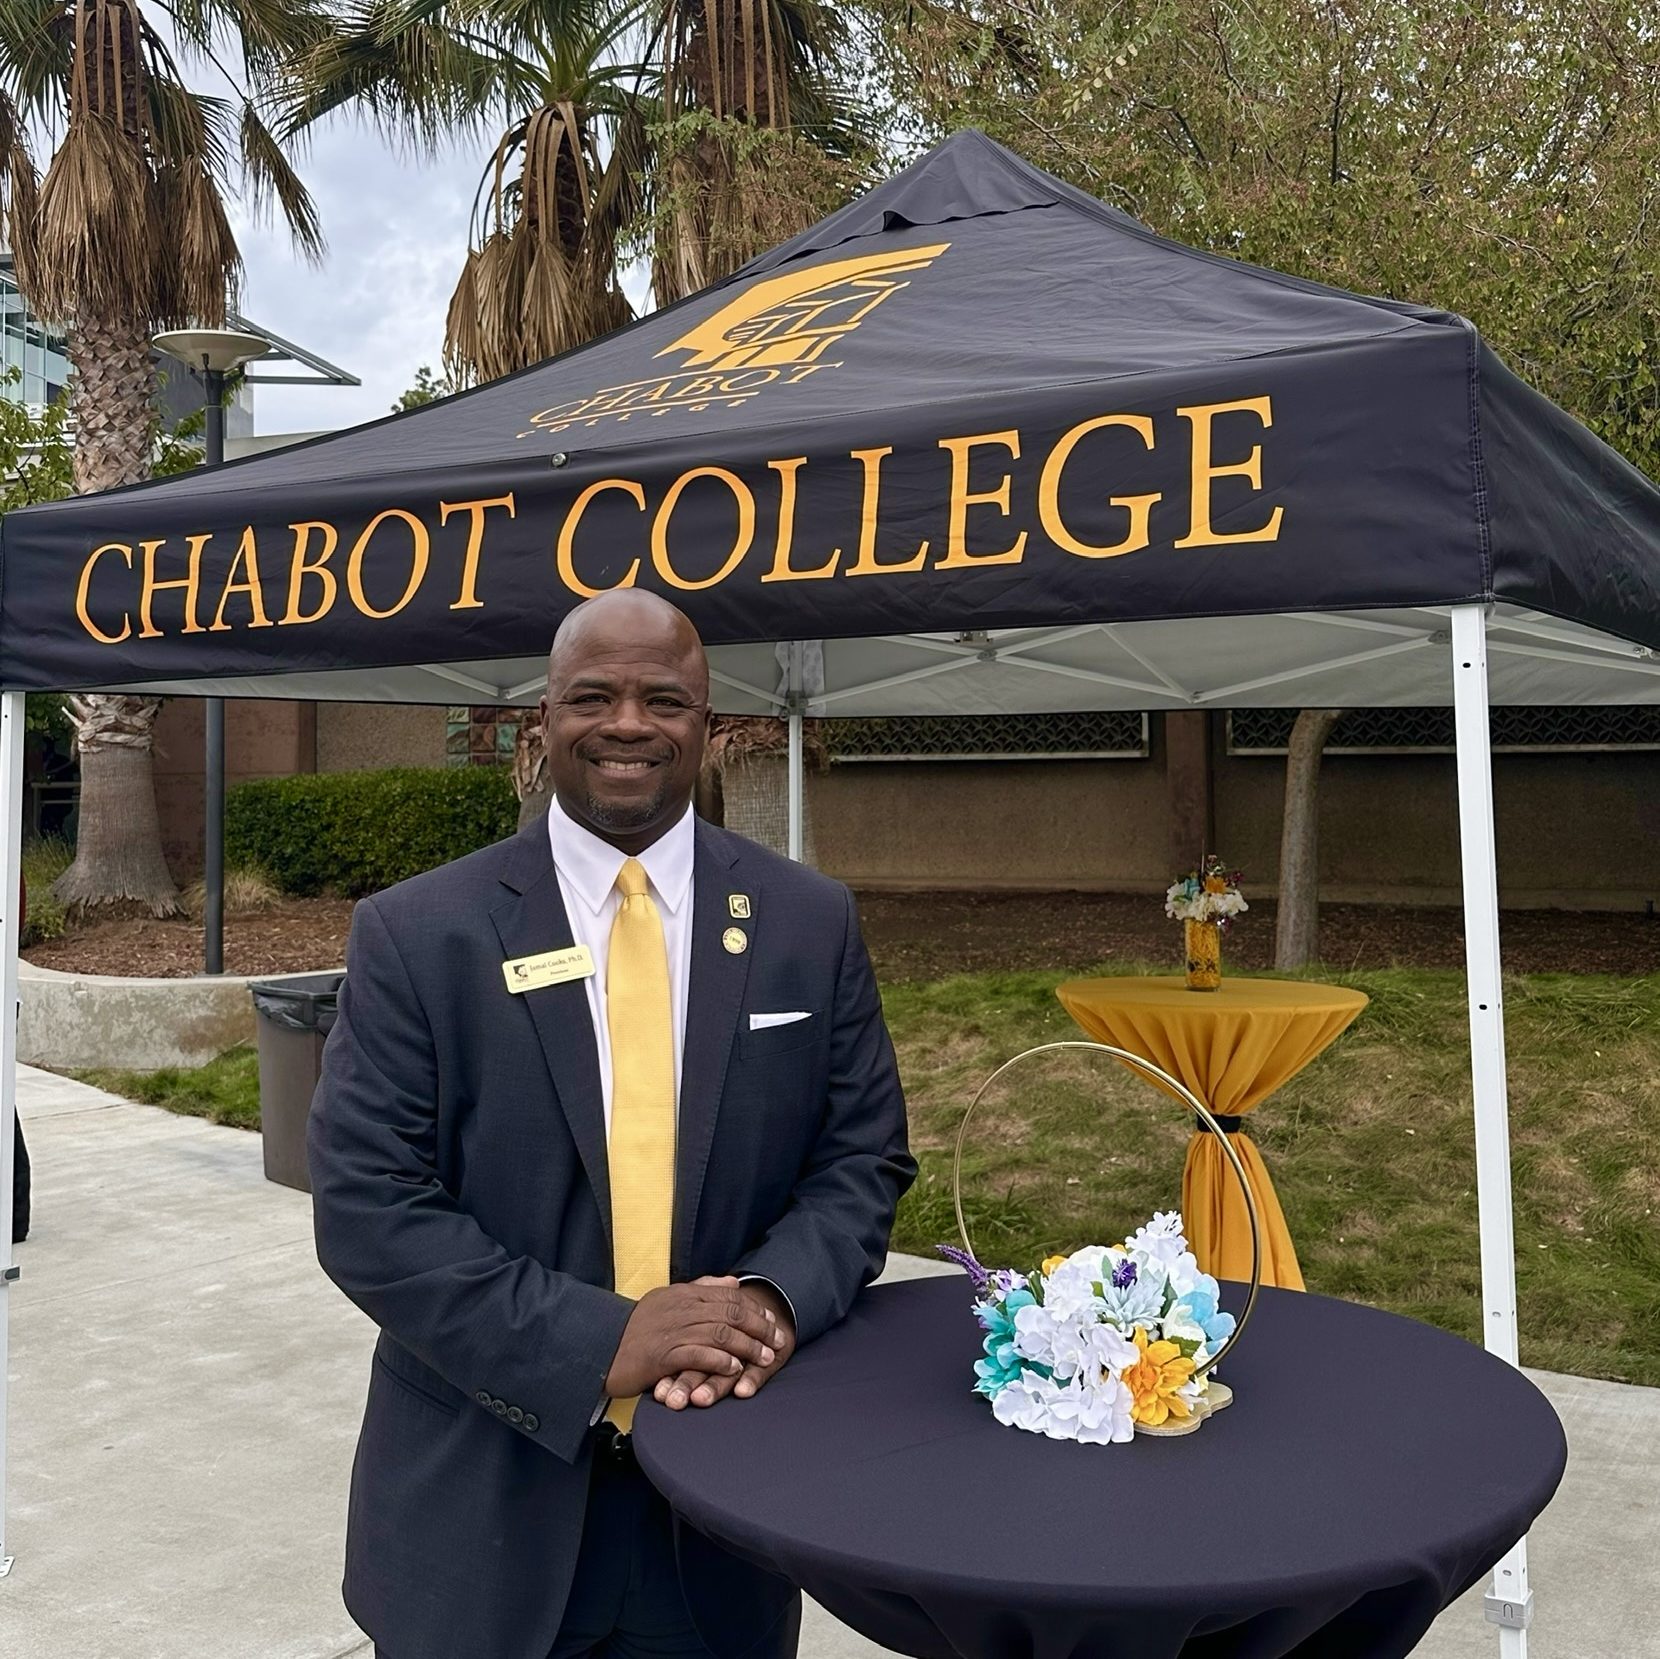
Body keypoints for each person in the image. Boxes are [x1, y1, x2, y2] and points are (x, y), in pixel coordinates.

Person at [309, 588, 914, 1659]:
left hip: (725, 1510)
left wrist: (768, 1302)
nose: (627, 723)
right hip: (480, 1511)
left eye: (662, 698)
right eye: (592, 695)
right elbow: (370, 1209)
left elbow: (858, 1161)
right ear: (542, 717)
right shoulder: (417, 934)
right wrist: (603, 1340)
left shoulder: (806, 921)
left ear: (706, 719)